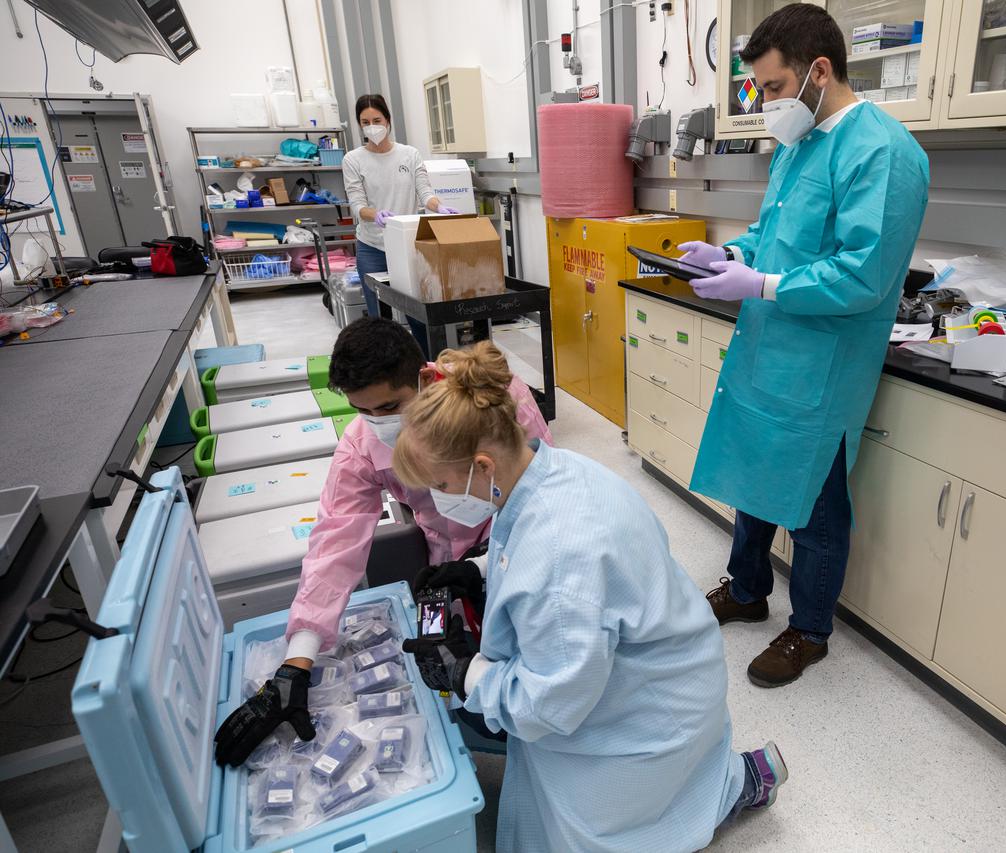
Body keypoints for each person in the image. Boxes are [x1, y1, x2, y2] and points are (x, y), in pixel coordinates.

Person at [395, 342, 788, 852]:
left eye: (442, 482)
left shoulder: (562, 551)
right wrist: (478, 570)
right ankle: (728, 778)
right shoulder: (550, 470)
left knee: (581, 832)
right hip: (667, 670)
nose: (440, 496)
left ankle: (732, 788)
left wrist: (464, 671)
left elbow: (547, 707)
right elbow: (539, 557)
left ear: (483, 465)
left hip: (644, 721)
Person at [678, 4, 929, 688]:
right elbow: (772, 237)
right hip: (769, 349)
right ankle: (748, 587)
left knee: (816, 508)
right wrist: (730, 252)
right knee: (755, 479)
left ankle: (810, 627)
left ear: (819, 70)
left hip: (821, 364)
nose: (767, 102)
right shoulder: (800, 144)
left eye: (775, 85)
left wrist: (758, 282)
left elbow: (864, 274)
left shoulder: (883, 150)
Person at [213, 319, 551, 766]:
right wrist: (297, 660)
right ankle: (485, 728)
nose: (379, 423)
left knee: (531, 653)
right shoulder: (361, 445)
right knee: (454, 656)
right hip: (448, 556)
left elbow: (540, 491)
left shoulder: (493, 398)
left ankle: (526, 737)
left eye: (390, 406)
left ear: (425, 379)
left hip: (518, 540)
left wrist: (489, 562)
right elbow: (335, 543)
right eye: (363, 411)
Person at [343, 93, 456, 349]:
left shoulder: (409, 154)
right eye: (365, 121)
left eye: (377, 119)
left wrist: (439, 207)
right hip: (372, 245)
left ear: (388, 120)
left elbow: (425, 193)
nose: (372, 126)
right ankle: (386, 369)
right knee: (378, 317)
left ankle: (428, 365)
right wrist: (376, 214)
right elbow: (357, 204)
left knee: (417, 311)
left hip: (406, 245)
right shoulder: (353, 160)